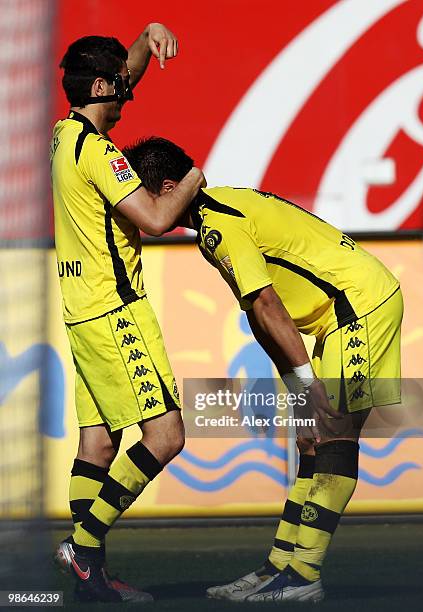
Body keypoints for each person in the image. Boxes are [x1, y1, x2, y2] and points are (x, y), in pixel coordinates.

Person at [123, 137, 403, 603]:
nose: (133, 207)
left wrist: (308, 384)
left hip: (360, 307)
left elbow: (268, 303)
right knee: (313, 439)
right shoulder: (217, 212)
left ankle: (304, 574)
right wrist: (299, 389)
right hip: (340, 313)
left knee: (334, 434)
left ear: (169, 187)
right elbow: (259, 316)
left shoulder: (218, 229)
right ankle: (279, 568)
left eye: (140, 194)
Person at [50, 30, 205, 603]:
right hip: (117, 313)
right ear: (98, 86)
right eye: (120, 87)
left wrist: (145, 37)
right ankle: (84, 546)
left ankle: (90, 581)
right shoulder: (100, 152)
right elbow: (159, 217)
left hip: (81, 313)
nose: (128, 97)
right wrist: (193, 177)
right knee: (166, 436)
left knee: (97, 447)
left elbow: (122, 78)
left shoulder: (65, 136)